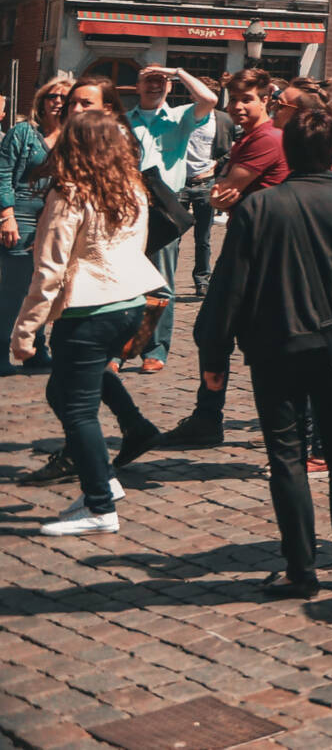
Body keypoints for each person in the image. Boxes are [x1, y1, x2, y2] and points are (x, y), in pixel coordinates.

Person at [196, 98, 332, 592]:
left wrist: (214, 356)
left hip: (277, 348)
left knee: (287, 457)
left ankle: (300, 569)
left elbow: (228, 290)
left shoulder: (258, 208)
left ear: (288, 153)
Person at [9, 107, 169, 536]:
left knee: (77, 409)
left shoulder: (70, 195)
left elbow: (49, 269)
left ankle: (100, 504)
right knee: (63, 392)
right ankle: (106, 473)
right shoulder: (131, 187)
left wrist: (25, 331)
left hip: (89, 308)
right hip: (129, 301)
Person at [157, 70, 293, 451]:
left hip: (258, 251)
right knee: (216, 332)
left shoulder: (266, 138)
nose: (238, 107)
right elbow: (220, 193)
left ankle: (282, 427)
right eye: (234, 99)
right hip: (249, 245)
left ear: (266, 100)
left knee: (226, 333)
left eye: (247, 99)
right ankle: (210, 417)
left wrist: (222, 186)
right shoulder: (251, 136)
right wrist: (221, 188)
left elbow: (223, 193)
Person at [126, 66, 217, 374]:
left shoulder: (181, 118)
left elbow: (209, 98)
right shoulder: (123, 122)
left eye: (160, 81)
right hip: (128, 206)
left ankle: (154, 349)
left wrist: (176, 71)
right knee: (124, 280)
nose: (154, 86)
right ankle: (121, 349)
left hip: (164, 207)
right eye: (148, 80)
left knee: (161, 282)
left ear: (169, 87)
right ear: (137, 86)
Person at [0, 74, 73, 376]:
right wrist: (6, 215)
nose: (57, 102)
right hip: (21, 216)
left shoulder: (74, 138)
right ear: (42, 102)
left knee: (45, 286)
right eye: (52, 96)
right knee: (15, 289)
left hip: (55, 219)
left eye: (64, 98)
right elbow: (3, 172)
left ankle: (34, 350)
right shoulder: (23, 132)